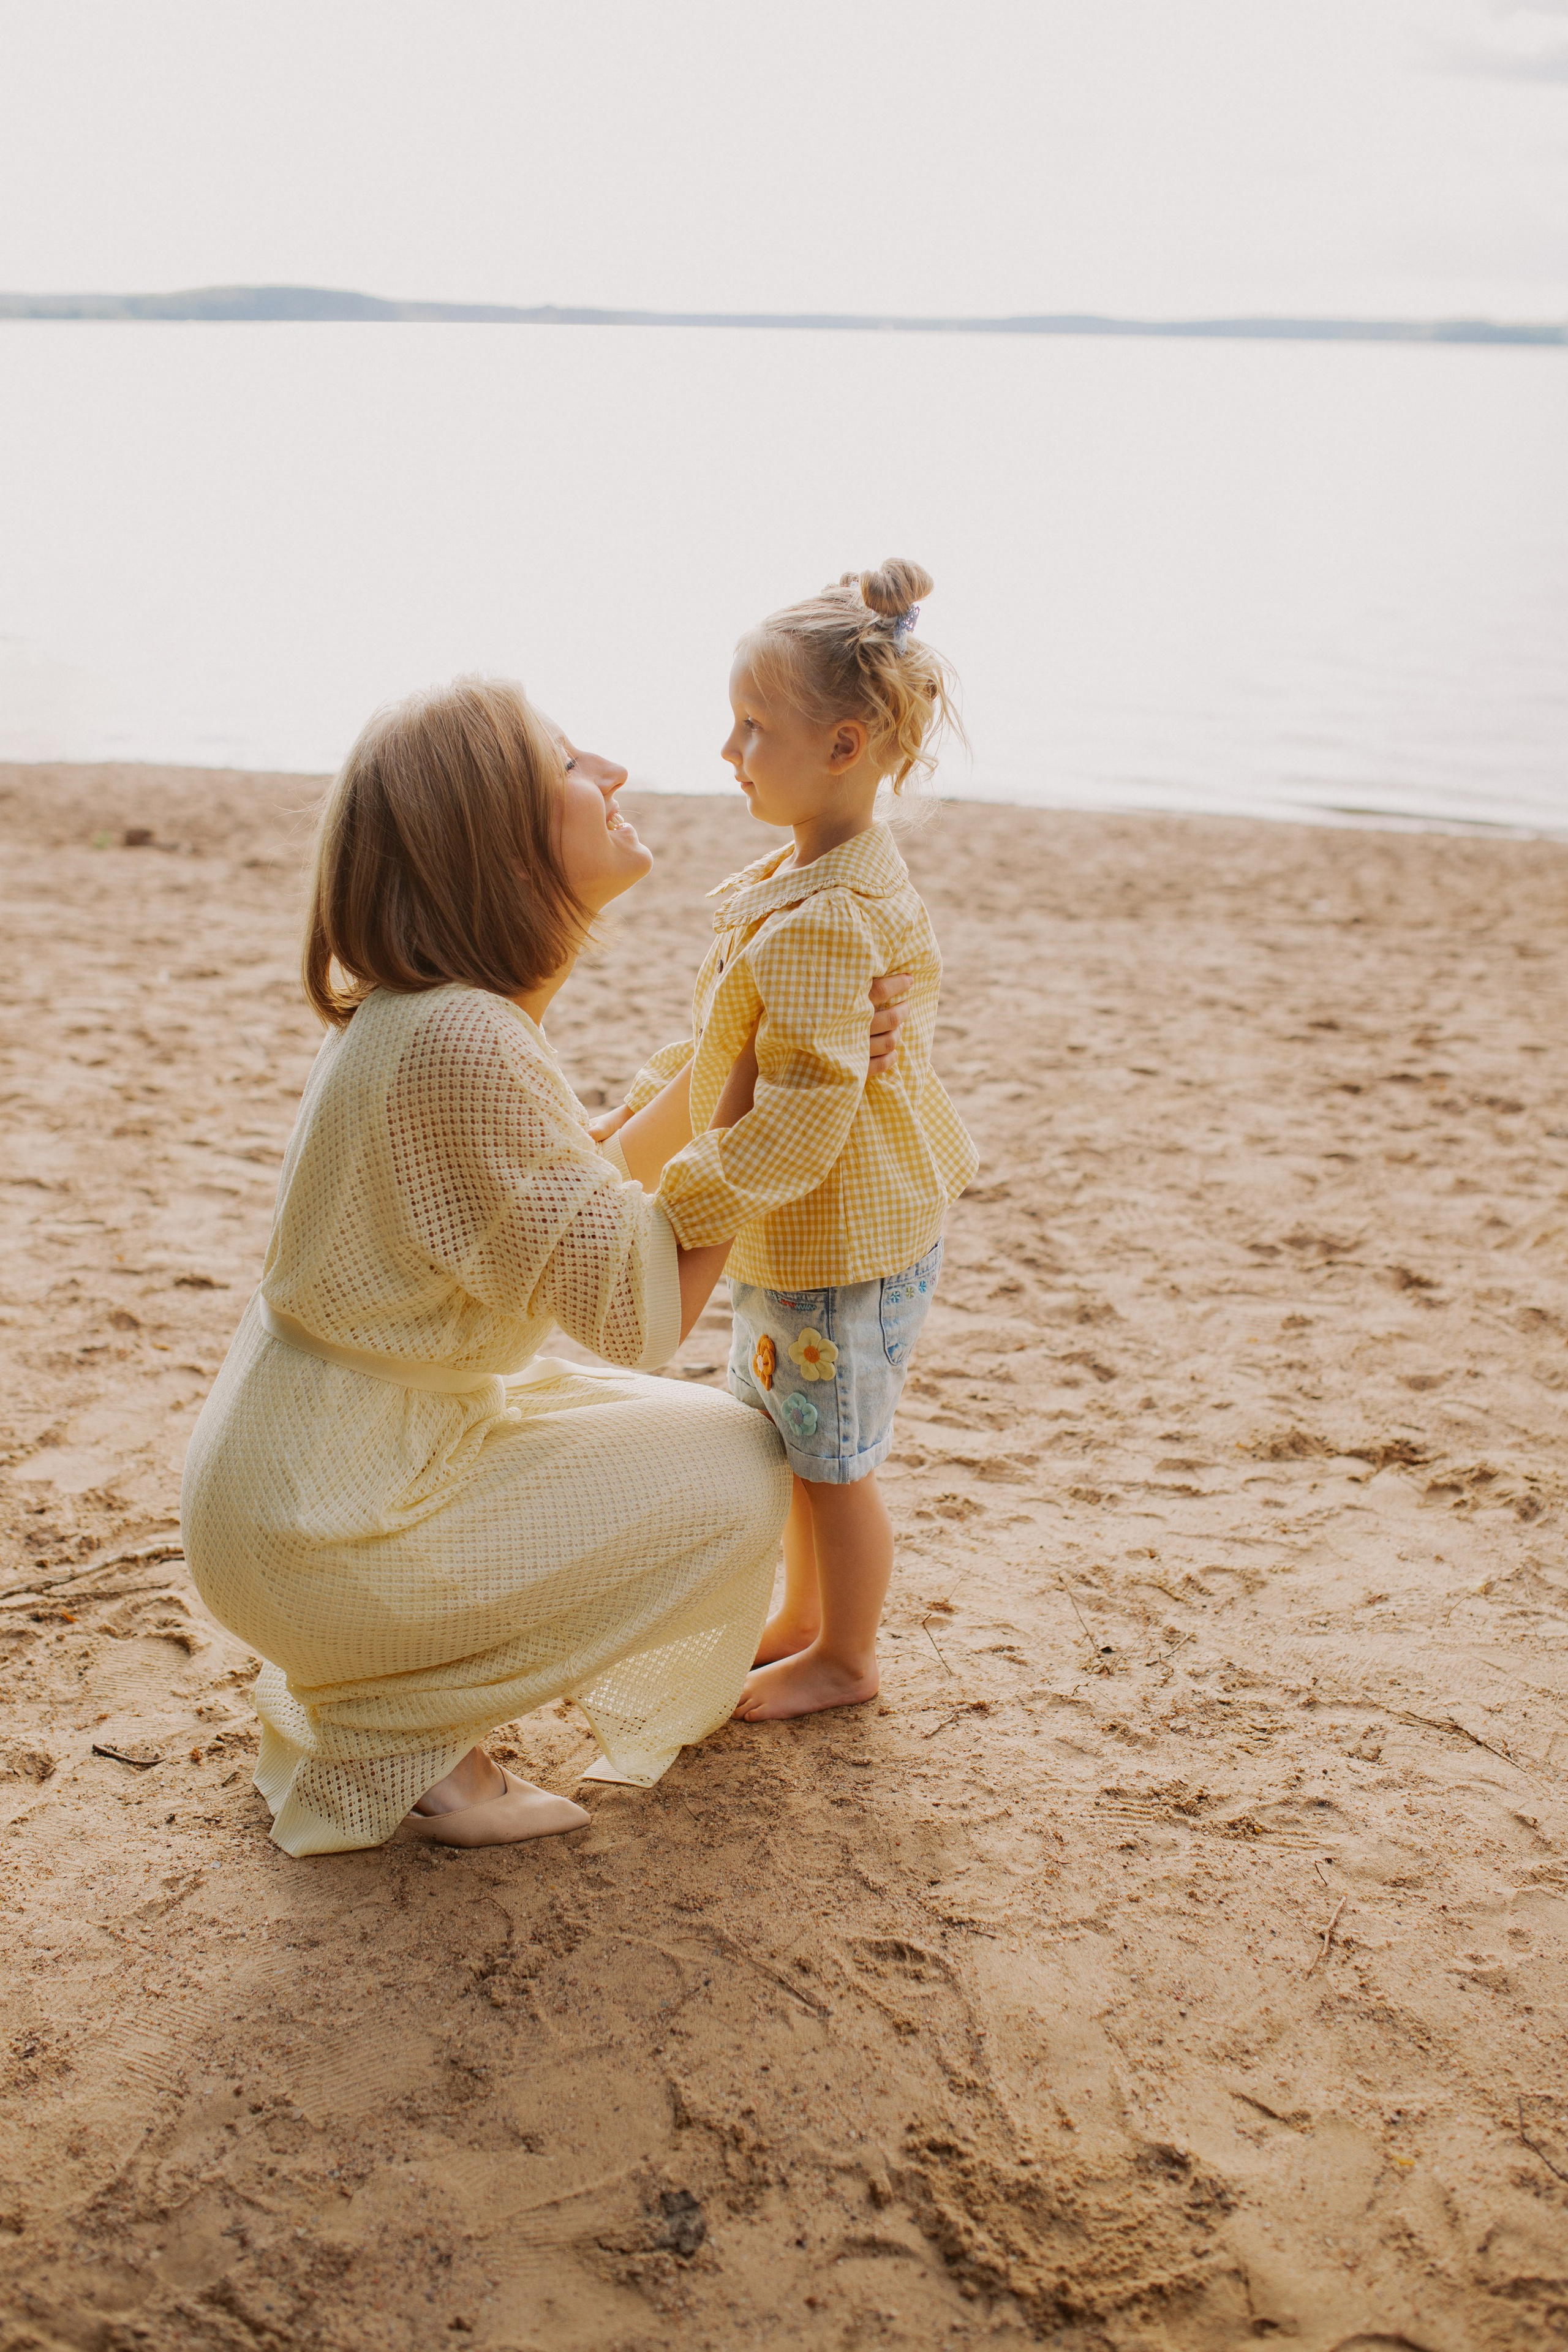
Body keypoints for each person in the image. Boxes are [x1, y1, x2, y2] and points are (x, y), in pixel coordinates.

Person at [180, 677, 908, 1856]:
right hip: (326, 1526)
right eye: (568, 763)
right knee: (736, 1460)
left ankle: (398, 1707)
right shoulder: (461, 1037)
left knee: (669, 1429)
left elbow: (579, 1182)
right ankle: (418, 1737)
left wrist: (756, 1045)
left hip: (297, 1483)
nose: (613, 770)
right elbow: (638, 1311)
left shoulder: (433, 1016)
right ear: (494, 833)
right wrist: (773, 1105)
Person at [594, 561, 978, 1723]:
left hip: (839, 1241)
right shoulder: (801, 880)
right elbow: (728, 1041)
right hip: (818, 1233)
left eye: (754, 728)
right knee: (804, 1439)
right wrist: (630, 1119)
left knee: (835, 1459)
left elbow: (802, 1115)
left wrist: (688, 1202)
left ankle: (848, 1654)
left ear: (847, 748)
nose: (728, 751)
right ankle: (809, 1623)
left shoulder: (821, 915)